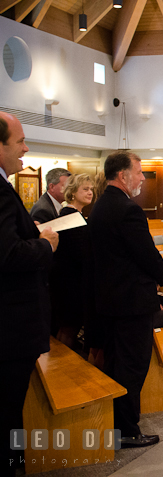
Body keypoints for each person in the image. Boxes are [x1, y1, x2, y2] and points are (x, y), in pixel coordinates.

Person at [89, 151, 163, 448]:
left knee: (118, 363)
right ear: (122, 175)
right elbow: (146, 255)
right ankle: (127, 430)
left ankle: (119, 424)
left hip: (110, 302)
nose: (142, 178)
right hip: (131, 304)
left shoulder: (100, 207)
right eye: (139, 172)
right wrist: (161, 276)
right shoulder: (127, 209)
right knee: (132, 366)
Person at [0, 112, 58, 477]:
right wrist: (45, 244)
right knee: (8, 414)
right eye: (19, 141)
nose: (26, 147)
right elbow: (8, 255)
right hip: (10, 327)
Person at [48, 173, 94, 349]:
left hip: (68, 281)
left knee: (68, 327)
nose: (90, 193)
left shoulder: (73, 215)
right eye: (85, 189)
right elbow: (81, 253)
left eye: (91, 189)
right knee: (69, 328)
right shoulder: (71, 217)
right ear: (73, 192)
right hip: (70, 284)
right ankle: (63, 369)